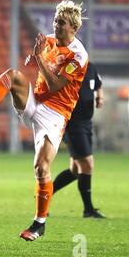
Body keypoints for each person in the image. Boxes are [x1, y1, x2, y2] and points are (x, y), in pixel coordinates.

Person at [0, 0, 88, 241]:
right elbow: (38, 61)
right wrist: (32, 58)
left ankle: (39, 223)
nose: (56, 26)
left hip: (56, 113)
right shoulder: (47, 41)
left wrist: (39, 60)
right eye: (56, 21)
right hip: (35, 102)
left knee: (41, 167)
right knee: (12, 76)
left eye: (62, 23)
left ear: (74, 28)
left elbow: (56, 85)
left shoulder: (79, 55)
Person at [52, 62, 105, 218]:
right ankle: (88, 210)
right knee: (87, 164)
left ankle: (43, 195)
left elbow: (98, 85)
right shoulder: (67, 68)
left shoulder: (91, 67)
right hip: (72, 122)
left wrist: (100, 98)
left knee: (75, 170)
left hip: (86, 123)